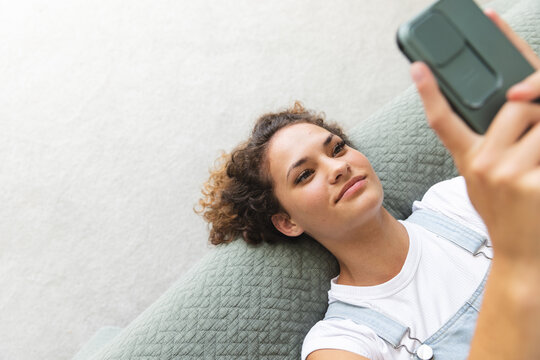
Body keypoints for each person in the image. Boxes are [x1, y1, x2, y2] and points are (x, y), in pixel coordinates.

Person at [197, 9, 540, 360]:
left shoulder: (454, 201)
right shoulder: (341, 342)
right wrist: (515, 256)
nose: (338, 168)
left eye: (337, 148)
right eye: (305, 175)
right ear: (288, 221)